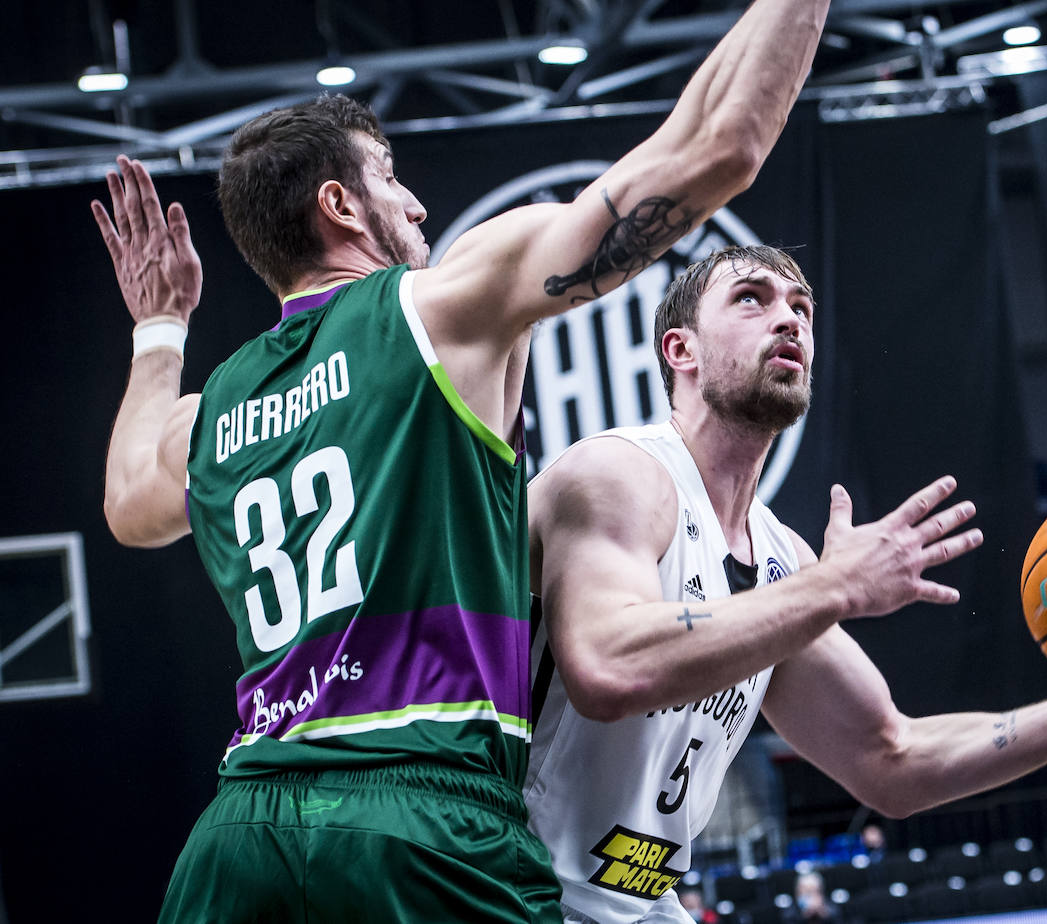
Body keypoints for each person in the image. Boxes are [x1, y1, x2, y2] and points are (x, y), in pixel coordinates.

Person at [92, 1, 832, 918]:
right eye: (391, 178)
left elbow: (128, 503)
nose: (417, 202)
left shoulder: (214, 412)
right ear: (340, 206)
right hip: (422, 816)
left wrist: (159, 326)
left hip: (241, 831)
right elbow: (721, 147)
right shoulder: (440, 309)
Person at [522, 244, 1047, 924]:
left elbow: (892, 761)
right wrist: (835, 589)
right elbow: (607, 667)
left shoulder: (780, 560)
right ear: (683, 351)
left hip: (640, 904)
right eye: (751, 299)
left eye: (802, 307)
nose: (789, 318)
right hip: (512, 888)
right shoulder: (620, 474)